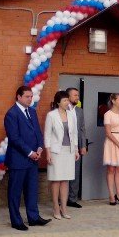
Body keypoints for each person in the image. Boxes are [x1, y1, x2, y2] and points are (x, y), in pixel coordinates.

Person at [4, 86, 51, 231]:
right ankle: (16, 221)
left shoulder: (32, 111)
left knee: (32, 189)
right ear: (18, 97)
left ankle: (33, 217)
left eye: (31, 96)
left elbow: (37, 132)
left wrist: (39, 148)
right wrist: (30, 152)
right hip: (19, 159)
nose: (30, 99)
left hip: (33, 159)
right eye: (27, 97)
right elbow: (14, 138)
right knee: (15, 191)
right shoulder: (12, 114)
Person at [45, 91, 80, 220]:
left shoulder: (72, 115)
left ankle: (64, 207)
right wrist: (48, 152)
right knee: (56, 180)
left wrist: (76, 150)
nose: (67, 102)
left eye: (67, 100)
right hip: (56, 152)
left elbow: (75, 134)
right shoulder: (51, 115)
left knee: (65, 180)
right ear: (58, 102)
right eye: (65, 100)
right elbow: (47, 135)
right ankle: (55, 207)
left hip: (68, 151)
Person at [66, 87, 87, 209]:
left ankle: (72, 199)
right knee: (64, 174)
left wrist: (83, 145)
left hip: (76, 148)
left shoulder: (79, 111)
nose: (77, 97)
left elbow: (82, 129)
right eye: (74, 95)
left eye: (78, 95)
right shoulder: (61, 110)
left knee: (75, 173)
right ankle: (61, 198)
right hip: (64, 146)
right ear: (68, 97)